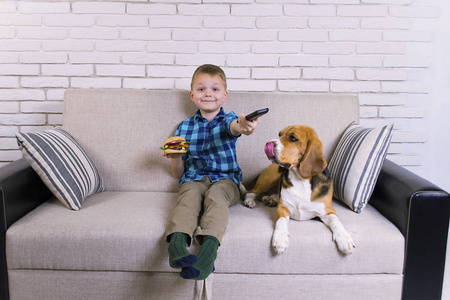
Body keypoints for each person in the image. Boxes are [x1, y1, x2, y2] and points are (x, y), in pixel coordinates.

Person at [163, 64, 261, 280]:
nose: (208, 93)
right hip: (194, 179)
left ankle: (207, 255)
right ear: (192, 95)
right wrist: (176, 157)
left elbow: (234, 127)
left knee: (216, 197)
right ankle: (177, 247)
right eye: (201, 89)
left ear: (224, 96)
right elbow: (178, 175)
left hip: (226, 182)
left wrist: (244, 126)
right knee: (188, 197)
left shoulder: (228, 119)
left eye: (215, 89)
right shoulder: (184, 127)